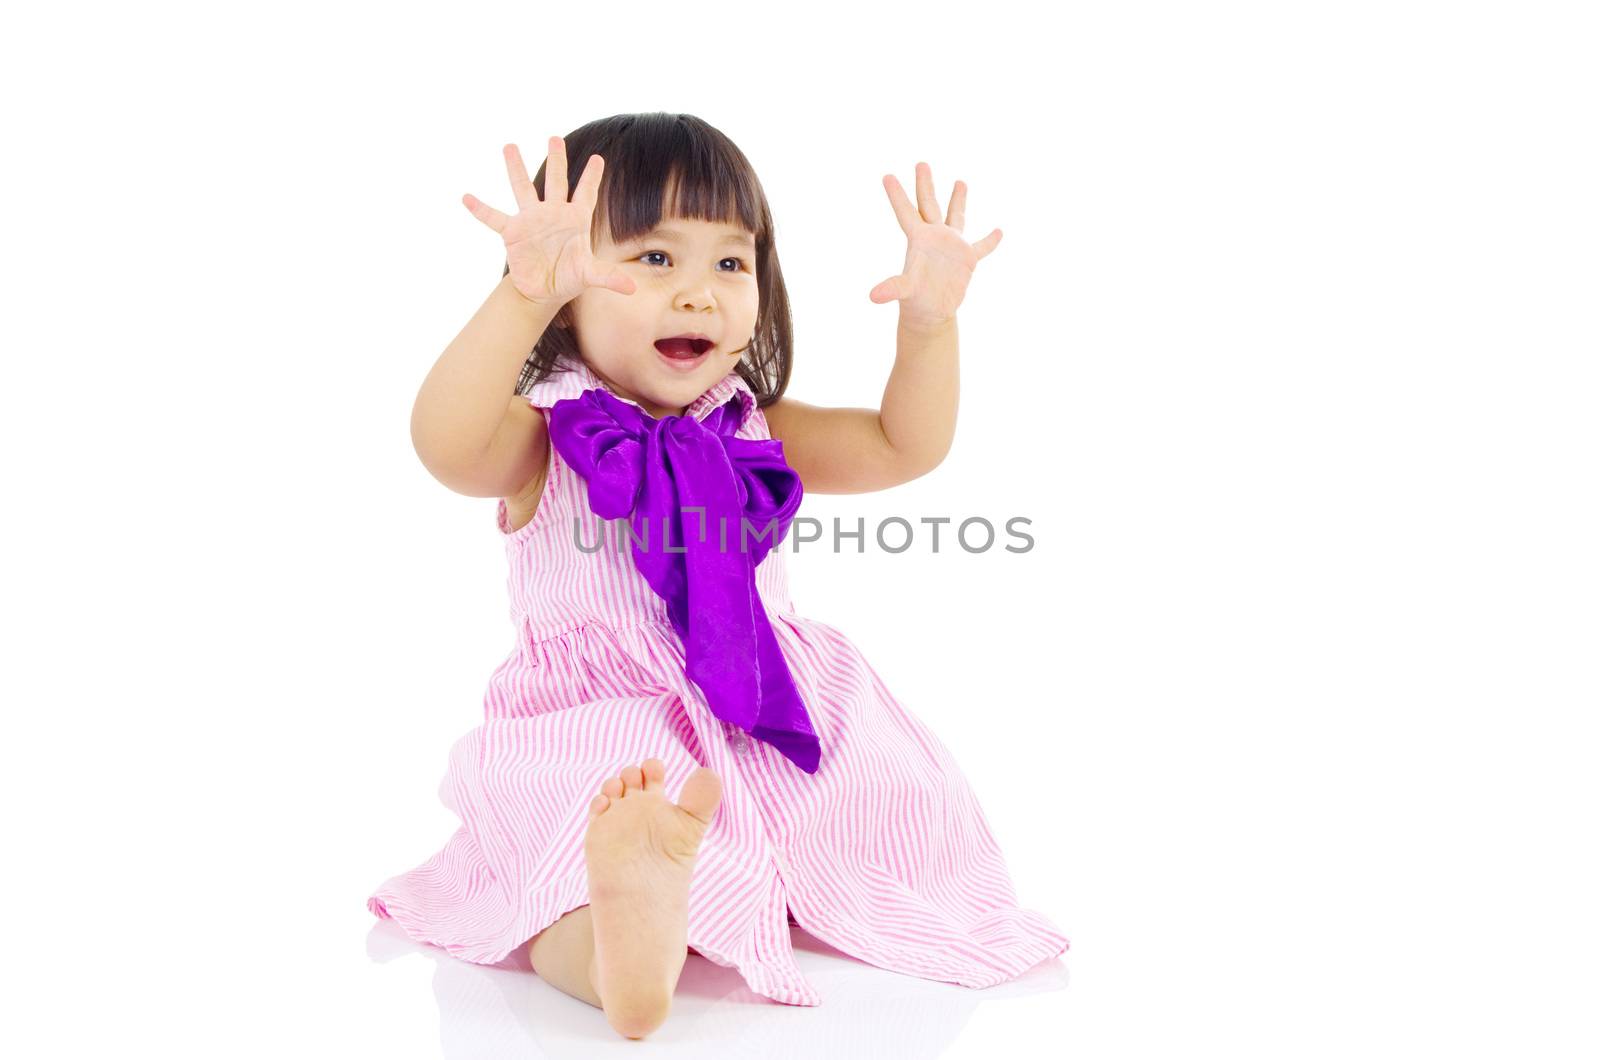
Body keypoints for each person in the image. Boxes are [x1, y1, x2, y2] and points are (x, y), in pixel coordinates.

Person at [366, 112, 1069, 1041]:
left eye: (729, 264)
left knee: (876, 802)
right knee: (562, 853)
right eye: (655, 260)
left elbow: (906, 445)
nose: (698, 293)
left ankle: (680, 892)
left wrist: (930, 325)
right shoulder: (547, 437)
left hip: (760, 712)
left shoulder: (759, 427)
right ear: (570, 287)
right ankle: (615, 939)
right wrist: (520, 299)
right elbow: (444, 444)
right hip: (600, 725)